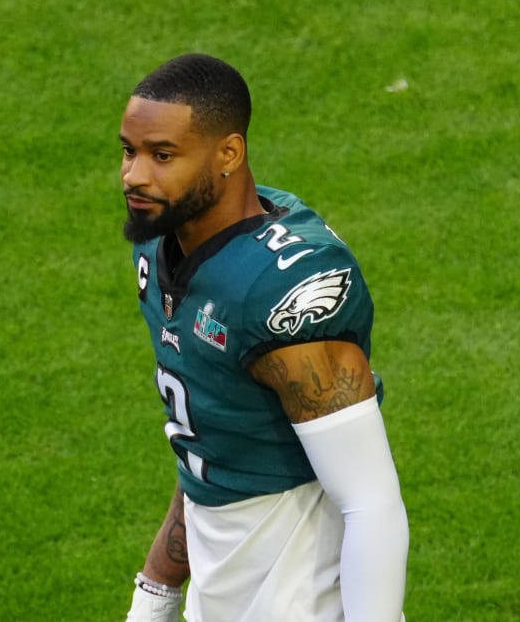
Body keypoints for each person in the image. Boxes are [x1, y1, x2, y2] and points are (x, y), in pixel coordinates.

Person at [120, 54, 409, 622]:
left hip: (299, 596)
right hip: (224, 583)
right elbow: (212, 444)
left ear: (228, 154)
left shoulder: (281, 293)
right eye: (130, 151)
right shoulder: (162, 241)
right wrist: (158, 586)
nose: (134, 175)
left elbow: (371, 502)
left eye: (162, 155)